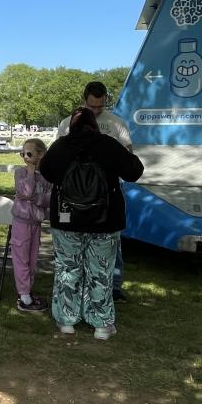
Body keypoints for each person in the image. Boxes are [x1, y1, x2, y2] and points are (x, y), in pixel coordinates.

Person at [40, 107, 144, 339]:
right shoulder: (108, 144)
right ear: (94, 125)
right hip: (105, 221)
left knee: (68, 269)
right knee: (101, 272)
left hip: (66, 219)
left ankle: (66, 320)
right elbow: (135, 172)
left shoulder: (61, 146)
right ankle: (101, 324)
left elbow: (45, 170)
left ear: (71, 126)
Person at [57, 81, 133, 300]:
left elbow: (129, 155)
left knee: (112, 238)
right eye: (92, 107)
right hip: (75, 192)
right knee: (76, 238)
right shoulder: (67, 124)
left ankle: (115, 285)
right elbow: (58, 156)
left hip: (108, 192)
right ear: (84, 101)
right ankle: (78, 283)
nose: (96, 111)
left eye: (100, 107)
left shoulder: (116, 124)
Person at [11, 138, 51, 313]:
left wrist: (36, 198)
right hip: (21, 222)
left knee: (32, 259)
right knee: (21, 258)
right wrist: (30, 171)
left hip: (36, 223)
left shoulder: (46, 177)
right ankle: (24, 294)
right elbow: (25, 191)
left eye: (29, 154)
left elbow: (49, 198)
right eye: (23, 154)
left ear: (41, 154)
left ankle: (27, 291)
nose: (25, 157)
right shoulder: (20, 172)